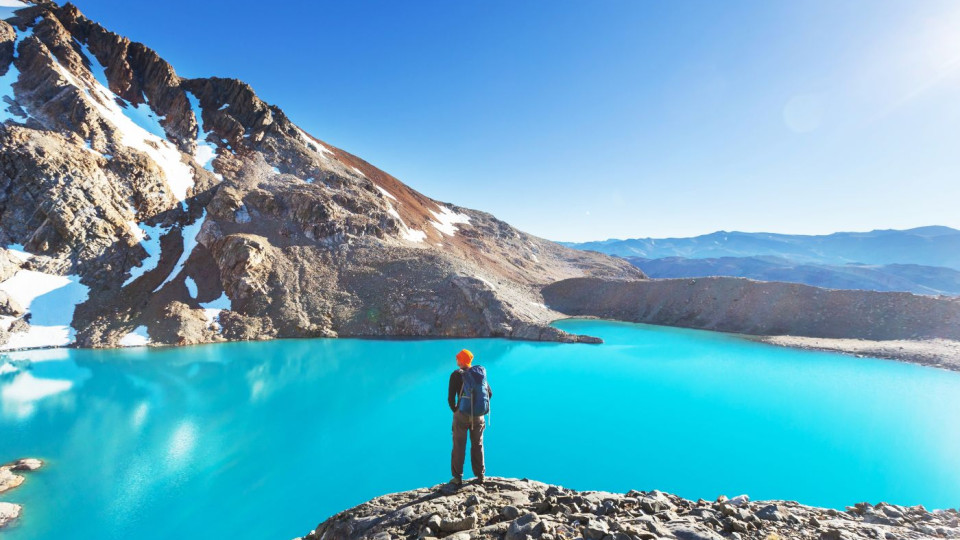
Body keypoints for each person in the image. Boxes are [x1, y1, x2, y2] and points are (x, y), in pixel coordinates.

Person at [448, 348, 492, 486]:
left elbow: (450, 398)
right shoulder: (478, 374)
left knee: (459, 446)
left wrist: (456, 410)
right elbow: (489, 394)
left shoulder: (456, 375)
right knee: (478, 445)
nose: (456, 360)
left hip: (462, 415)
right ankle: (480, 475)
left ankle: (457, 478)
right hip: (479, 416)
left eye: (457, 358)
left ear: (461, 360)